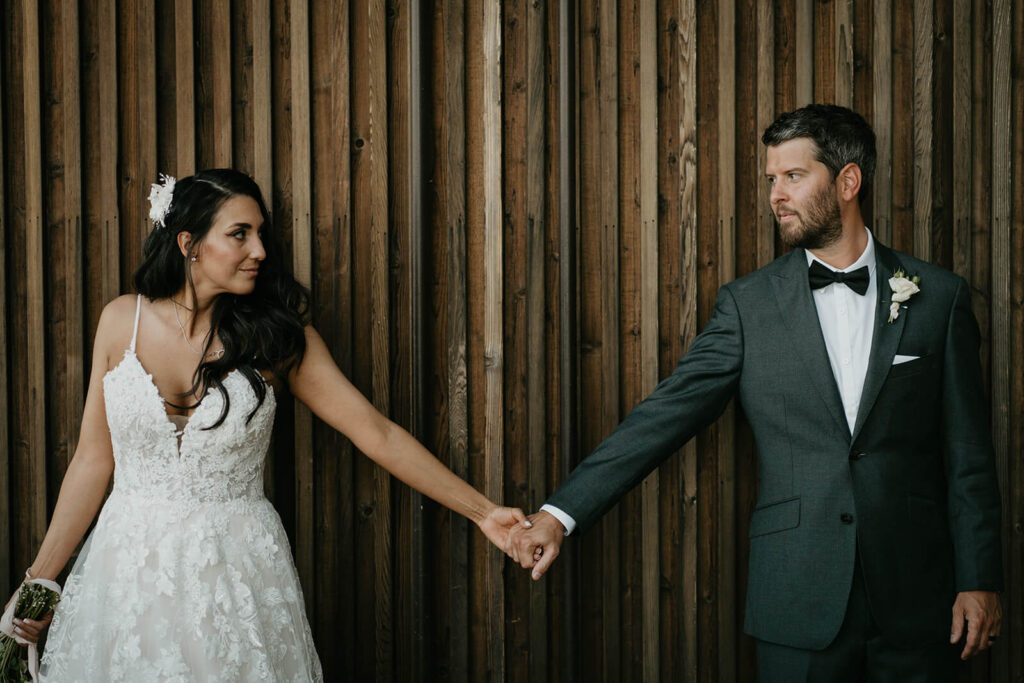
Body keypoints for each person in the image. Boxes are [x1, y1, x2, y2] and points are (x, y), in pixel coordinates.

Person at [509, 105, 1003, 680]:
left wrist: (979, 577)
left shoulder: (937, 298)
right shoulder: (749, 306)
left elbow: (970, 456)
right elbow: (663, 416)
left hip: (920, 601)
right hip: (796, 599)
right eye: (771, 179)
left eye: (793, 176)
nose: (776, 195)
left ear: (848, 181)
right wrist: (559, 515)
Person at [4, 169, 527, 681]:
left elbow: (377, 433)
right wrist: (40, 582)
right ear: (189, 243)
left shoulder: (278, 339)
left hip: (235, 575)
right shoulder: (122, 321)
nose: (260, 251)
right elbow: (94, 462)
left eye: (260, 234)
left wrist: (483, 514)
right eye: (239, 234)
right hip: (125, 571)